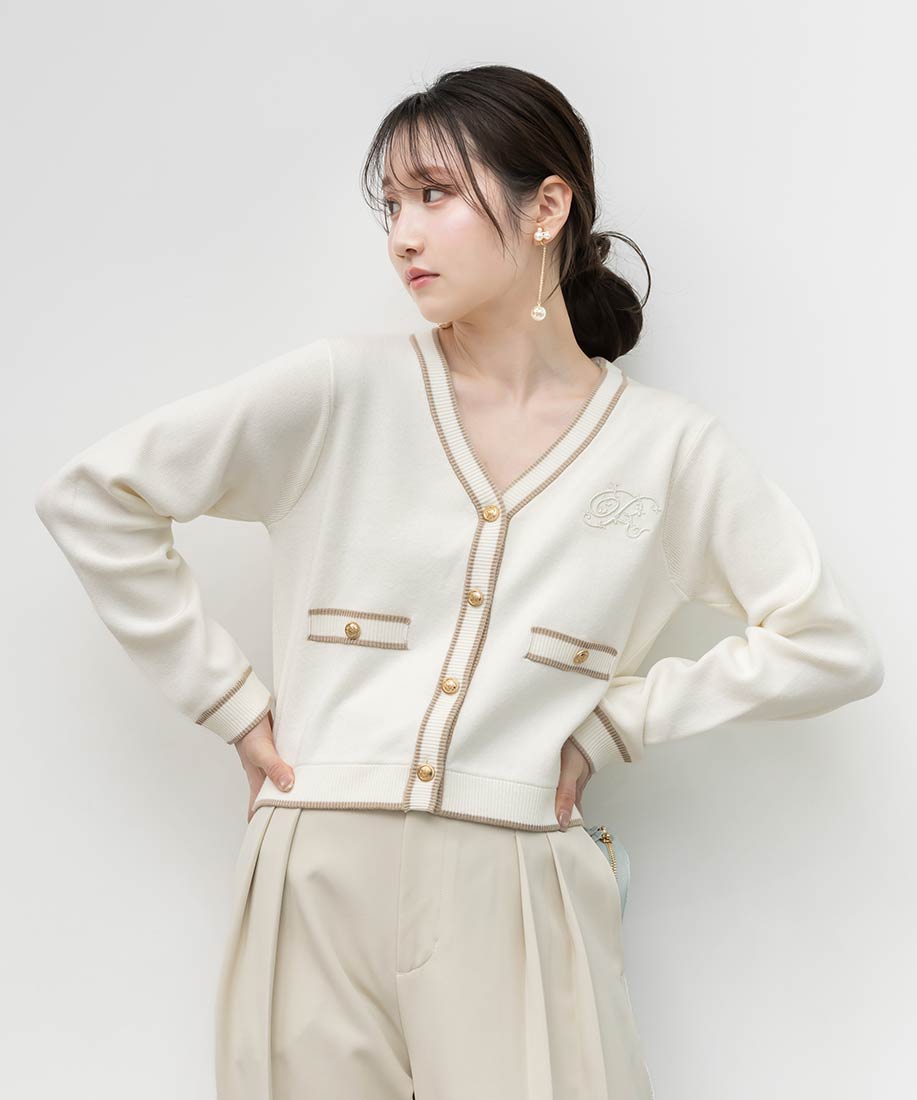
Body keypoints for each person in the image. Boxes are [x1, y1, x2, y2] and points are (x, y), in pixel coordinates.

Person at [34, 64, 884, 1100]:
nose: (402, 234)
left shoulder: (665, 452)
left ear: (547, 206)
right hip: (315, 863)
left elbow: (827, 644)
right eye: (391, 205)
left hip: (520, 875)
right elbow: (97, 496)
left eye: (433, 194)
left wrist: (615, 723)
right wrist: (232, 703)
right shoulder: (341, 389)